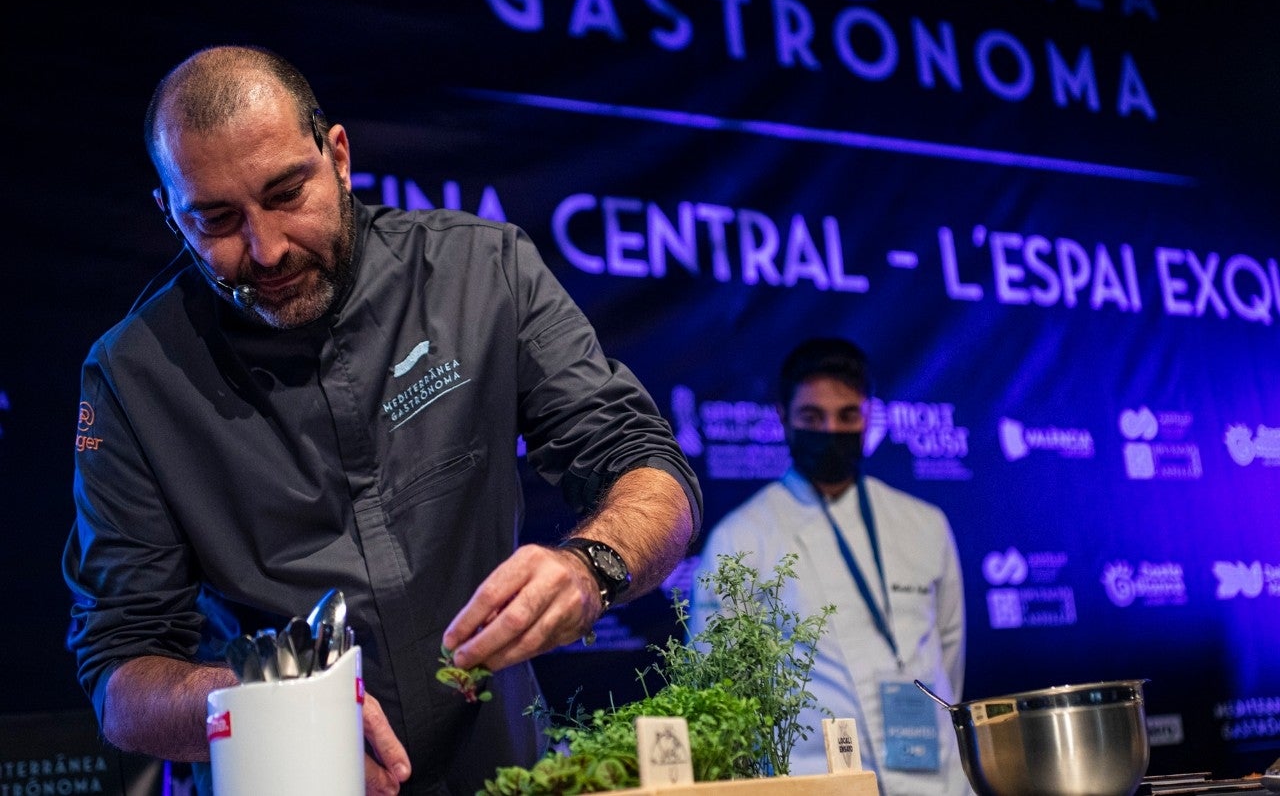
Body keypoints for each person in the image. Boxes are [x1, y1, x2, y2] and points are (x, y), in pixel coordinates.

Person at [61, 45, 702, 796]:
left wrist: (589, 567)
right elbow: (119, 675)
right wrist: (272, 713)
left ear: (337, 156)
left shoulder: (481, 271)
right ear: (170, 214)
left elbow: (652, 471)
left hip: (505, 771)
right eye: (218, 220)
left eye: (286, 192)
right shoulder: (134, 377)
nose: (265, 248)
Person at [688, 337, 968, 795]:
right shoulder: (740, 539)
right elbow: (720, 695)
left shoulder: (924, 524)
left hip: (937, 778)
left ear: (869, 416)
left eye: (847, 416)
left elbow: (950, 652)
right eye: (812, 418)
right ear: (784, 419)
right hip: (813, 781)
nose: (831, 430)